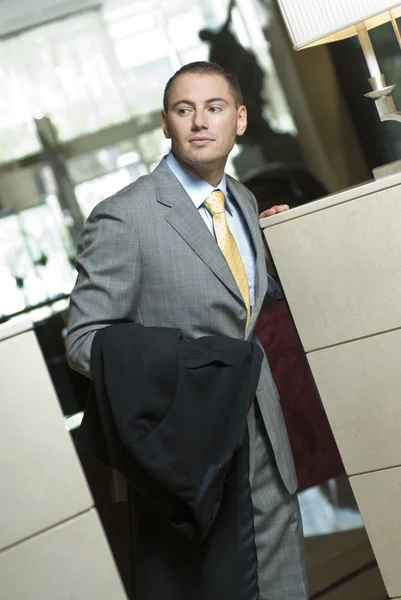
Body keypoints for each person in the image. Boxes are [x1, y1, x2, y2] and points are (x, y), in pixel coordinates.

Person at [66, 61, 308, 599]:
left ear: (240, 120)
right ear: (166, 124)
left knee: (282, 564)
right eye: (184, 110)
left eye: (214, 108)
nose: (200, 121)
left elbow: (233, 296)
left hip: (262, 428)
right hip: (191, 448)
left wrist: (285, 255)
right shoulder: (123, 218)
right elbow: (84, 343)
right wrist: (193, 370)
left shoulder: (241, 199)